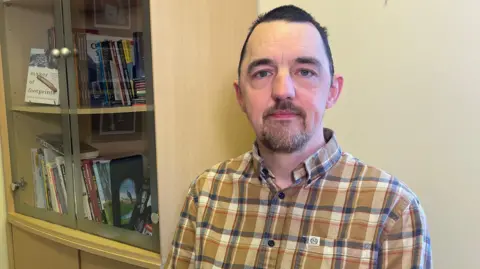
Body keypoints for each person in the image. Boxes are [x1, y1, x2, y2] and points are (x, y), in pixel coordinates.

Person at [165, 5, 432, 269]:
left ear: (332, 91)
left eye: (305, 71)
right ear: (240, 96)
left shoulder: (393, 211)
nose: (283, 90)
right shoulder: (205, 195)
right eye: (263, 73)